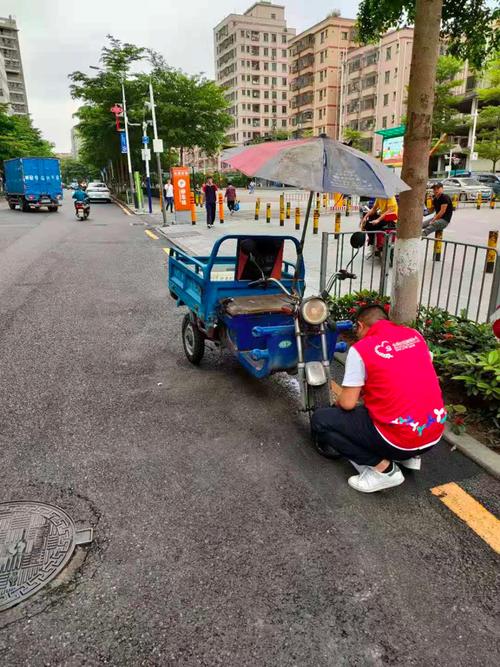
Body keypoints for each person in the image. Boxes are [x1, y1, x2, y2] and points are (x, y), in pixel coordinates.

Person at [311, 304, 446, 493]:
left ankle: (383, 470)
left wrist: (337, 404)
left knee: (321, 421)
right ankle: (409, 458)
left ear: (360, 326)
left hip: (399, 440)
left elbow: (348, 403)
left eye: (356, 331)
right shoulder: (414, 335)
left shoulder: (361, 349)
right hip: (433, 434)